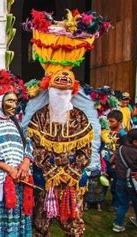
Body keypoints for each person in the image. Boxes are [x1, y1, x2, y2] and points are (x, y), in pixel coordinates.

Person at [27, 70, 94, 236]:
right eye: (57, 92)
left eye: (66, 92)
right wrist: (53, 173)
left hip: (73, 180)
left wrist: (72, 172)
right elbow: (36, 148)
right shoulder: (39, 117)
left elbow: (85, 150)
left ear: (72, 93)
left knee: (73, 221)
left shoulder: (80, 117)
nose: (62, 96)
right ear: (49, 91)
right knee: (41, 222)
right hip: (46, 177)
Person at [0, 70, 33, 237]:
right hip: (1, 181)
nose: (14, 105)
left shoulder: (15, 122)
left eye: (15, 101)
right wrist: (9, 169)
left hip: (20, 179)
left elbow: (28, 145)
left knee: (19, 217)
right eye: (9, 101)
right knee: (1, 219)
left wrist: (25, 164)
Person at [111, 129, 137, 232]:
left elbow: (112, 160)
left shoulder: (120, 148)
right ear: (135, 142)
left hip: (120, 180)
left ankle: (118, 225)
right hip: (136, 182)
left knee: (122, 203)